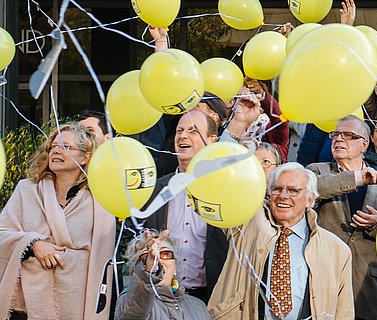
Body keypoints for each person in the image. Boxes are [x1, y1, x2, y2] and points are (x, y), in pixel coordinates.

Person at [206, 163, 354, 319]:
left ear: (309, 199)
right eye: (277, 189)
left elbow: (344, 311)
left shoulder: (336, 249)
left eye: (293, 190)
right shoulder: (248, 223)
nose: (283, 195)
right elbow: (220, 195)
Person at [0, 124, 116, 319]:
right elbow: (2, 231)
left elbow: (102, 259)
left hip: (76, 302)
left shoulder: (100, 199)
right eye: (53, 147)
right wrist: (33, 244)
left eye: (66, 147)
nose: (56, 150)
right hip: (25, 305)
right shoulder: (26, 190)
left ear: (85, 156)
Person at [305, 115, 377, 319]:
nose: (339, 139)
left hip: (366, 289)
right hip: (323, 282)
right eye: (336, 135)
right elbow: (313, 190)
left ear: (364, 145)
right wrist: (357, 178)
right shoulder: (315, 171)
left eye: (348, 135)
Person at [142, 110, 228, 302]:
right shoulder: (157, 189)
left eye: (193, 130)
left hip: (210, 297)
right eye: (179, 130)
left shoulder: (223, 189)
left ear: (212, 140)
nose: (183, 136)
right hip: (162, 294)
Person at [116, 231, 212, 320]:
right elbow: (135, 308)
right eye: (146, 256)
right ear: (135, 269)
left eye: (165, 254)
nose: (158, 261)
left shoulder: (198, 305)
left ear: (175, 267)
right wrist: (149, 268)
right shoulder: (130, 301)